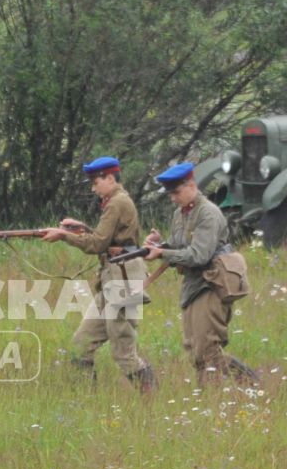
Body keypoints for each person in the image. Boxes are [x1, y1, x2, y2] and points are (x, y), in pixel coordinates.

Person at [40, 155, 155, 393]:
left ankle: (151, 402)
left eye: (96, 181)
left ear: (110, 178)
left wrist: (63, 235)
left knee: (124, 352)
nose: (94, 188)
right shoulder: (116, 202)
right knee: (80, 345)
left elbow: (97, 244)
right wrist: (81, 229)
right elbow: (107, 238)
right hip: (114, 279)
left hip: (122, 279)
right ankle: (87, 401)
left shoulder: (116, 202)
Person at [141, 163, 259, 386]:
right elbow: (179, 246)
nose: (173, 198)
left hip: (212, 283)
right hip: (194, 284)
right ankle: (208, 395)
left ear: (192, 186)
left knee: (208, 349)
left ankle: (251, 384)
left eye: (176, 192)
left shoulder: (208, 213)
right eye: (170, 194)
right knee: (194, 350)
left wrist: (162, 252)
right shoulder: (180, 213)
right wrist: (161, 244)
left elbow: (199, 255)